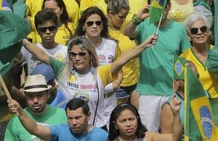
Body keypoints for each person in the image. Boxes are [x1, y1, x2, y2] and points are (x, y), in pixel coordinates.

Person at [22, 34, 157, 128]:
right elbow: (41, 55)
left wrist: (144, 45)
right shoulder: (63, 70)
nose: (77, 58)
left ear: (91, 56)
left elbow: (123, 59)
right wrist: (22, 40)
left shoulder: (101, 72)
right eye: (73, 54)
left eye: (82, 54)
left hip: (96, 128)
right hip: (70, 128)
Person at [123, 0, 191, 131]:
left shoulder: (179, 29)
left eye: (164, 4)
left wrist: (180, 87)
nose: (161, 8)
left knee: (172, 134)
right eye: (157, 5)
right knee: (149, 134)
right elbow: (127, 32)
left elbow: (184, 59)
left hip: (172, 92)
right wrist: (138, 18)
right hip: (149, 92)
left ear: (169, 6)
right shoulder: (144, 25)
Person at [74, 6, 122, 126]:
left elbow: (119, 70)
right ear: (83, 26)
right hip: (86, 101)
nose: (94, 26)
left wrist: (117, 83)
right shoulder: (75, 46)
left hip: (109, 100)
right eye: (90, 23)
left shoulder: (112, 45)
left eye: (98, 23)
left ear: (102, 25)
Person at [180, 14, 218, 99]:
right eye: (194, 30)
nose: (199, 32)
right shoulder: (183, 59)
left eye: (203, 29)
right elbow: (182, 93)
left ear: (208, 31)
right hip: (199, 107)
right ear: (188, 36)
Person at [8, 97, 108, 141]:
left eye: (78, 118)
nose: (73, 123)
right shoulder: (60, 130)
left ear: (88, 115)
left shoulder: (103, 136)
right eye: (70, 118)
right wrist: (20, 111)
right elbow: (35, 129)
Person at [5, 74, 68, 141]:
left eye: (39, 95)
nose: (35, 100)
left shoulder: (63, 115)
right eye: (30, 96)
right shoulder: (16, 120)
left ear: (47, 95)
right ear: (25, 97)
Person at [22, 9, 68, 75]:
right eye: (43, 30)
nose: (48, 32)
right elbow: (14, 56)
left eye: (51, 28)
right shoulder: (29, 50)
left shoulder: (66, 51)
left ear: (57, 28)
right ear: (37, 31)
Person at [108, 101, 183, 141]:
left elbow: (175, 139)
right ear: (115, 124)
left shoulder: (148, 137)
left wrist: (176, 113)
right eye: (123, 121)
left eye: (131, 119)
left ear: (137, 119)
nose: (128, 124)